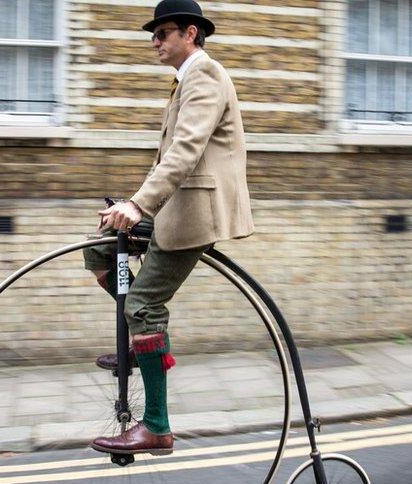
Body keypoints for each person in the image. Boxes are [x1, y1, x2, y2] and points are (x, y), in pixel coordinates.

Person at [83, 0, 254, 455]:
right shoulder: (184, 81)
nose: (155, 42)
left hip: (195, 213)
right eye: (153, 35)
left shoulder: (206, 75)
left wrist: (138, 205)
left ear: (191, 34)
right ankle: (148, 347)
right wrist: (129, 206)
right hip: (175, 206)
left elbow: (187, 149)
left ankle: (156, 426)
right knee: (100, 247)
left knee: (142, 303)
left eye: (164, 33)